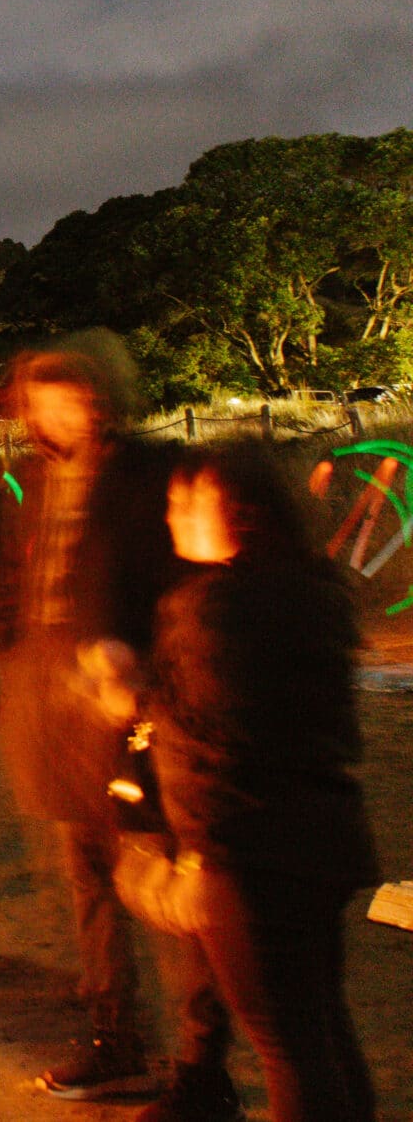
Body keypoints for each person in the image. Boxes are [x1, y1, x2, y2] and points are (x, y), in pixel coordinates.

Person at [117, 444, 379, 1122]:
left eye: (187, 500)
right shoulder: (313, 589)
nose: (171, 513)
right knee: (320, 1023)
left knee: (287, 1045)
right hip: (321, 838)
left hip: (250, 853)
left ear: (242, 513)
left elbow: (217, 747)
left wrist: (198, 858)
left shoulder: (213, 607)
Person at [0, 337, 182, 1102]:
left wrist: (144, 675)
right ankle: (114, 1036)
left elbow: (177, 581)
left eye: (70, 397)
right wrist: (16, 655)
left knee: (161, 883)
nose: (55, 414)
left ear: (101, 396)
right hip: (54, 711)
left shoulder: (148, 475)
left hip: (130, 712)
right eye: (41, 401)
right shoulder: (34, 479)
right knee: (87, 880)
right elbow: (11, 577)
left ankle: (200, 1063)